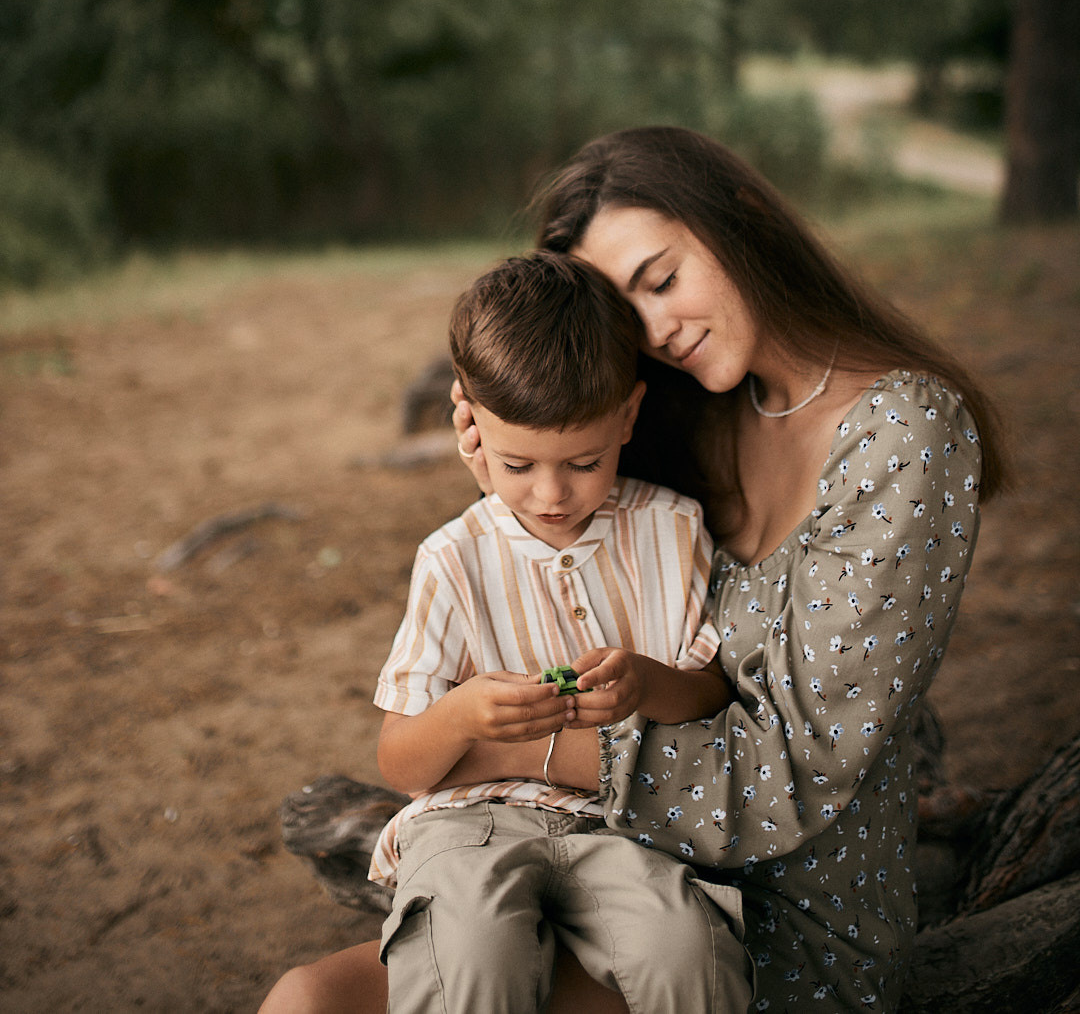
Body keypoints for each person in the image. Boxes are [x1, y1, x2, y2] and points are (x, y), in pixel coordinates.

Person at [258, 126, 1006, 1014]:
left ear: (743, 219)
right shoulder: (695, 412)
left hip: (775, 916)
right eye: (624, 313)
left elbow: (792, 776)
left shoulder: (906, 434)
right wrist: (507, 478)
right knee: (304, 999)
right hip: (613, 857)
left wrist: (502, 747)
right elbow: (576, 544)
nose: (655, 331)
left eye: (662, 278)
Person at [370, 251, 751, 1014]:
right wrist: (462, 714)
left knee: (687, 949)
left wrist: (646, 683)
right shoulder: (453, 559)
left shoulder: (672, 530)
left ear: (629, 417)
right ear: (469, 422)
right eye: (517, 465)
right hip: (469, 823)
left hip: (623, 826)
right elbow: (398, 759)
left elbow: (710, 693)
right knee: (470, 951)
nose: (551, 494)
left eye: (584, 462)